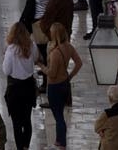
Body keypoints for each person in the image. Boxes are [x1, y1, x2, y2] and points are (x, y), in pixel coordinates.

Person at [44, 21, 83, 149]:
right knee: (59, 113)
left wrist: (41, 66)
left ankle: (62, 144)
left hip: (54, 87)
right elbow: (79, 63)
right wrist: (69, 76)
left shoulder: (55, 52)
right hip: (65, 84)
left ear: (55, 35)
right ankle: (58, 140)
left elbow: (52, 73)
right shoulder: (69, 47)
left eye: (51, 32)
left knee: (59, 117)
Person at [2, 22, 39, 150]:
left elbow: (6, 71)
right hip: (28, 87)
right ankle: (26, 146)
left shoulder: (11, 50)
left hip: (15, 89)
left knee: (16, 122)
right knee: (27, 119)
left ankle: (20, 148)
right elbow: (36, 59)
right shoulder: (32, 46)